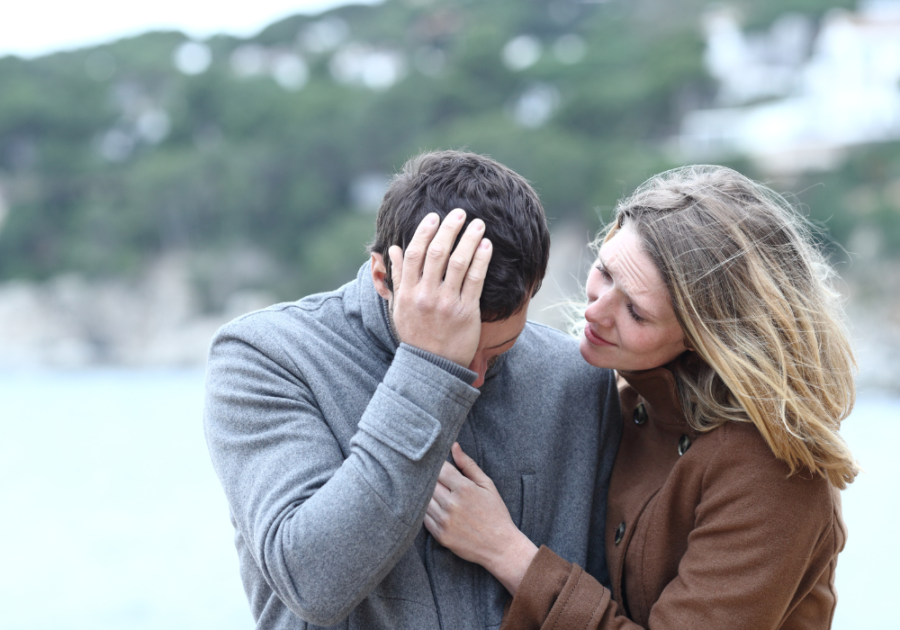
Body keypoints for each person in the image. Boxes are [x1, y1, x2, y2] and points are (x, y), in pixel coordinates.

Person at [422, 165, 858, 629]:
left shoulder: (773, 471)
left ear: (707, 337)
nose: (595, 310)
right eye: (605, 271)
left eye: (636, 311)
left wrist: (502, 549)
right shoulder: (617, 392)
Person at [203, 150, 621, 630]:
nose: (477, 378)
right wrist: (429, 368)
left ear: (534, 288)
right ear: (383, 276)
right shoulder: (266, 357)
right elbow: (312, 585)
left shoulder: (577, 377)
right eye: (464, 357)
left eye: (500, 349)